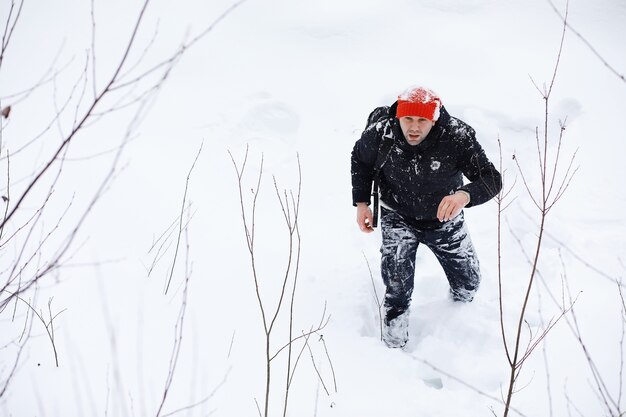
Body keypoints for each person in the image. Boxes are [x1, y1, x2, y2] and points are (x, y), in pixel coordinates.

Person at [351, 86, 502, 348]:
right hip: (396, 215)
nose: (414, 128)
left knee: (468, 284)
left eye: (422, 121)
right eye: (408, 119)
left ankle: (462, 319)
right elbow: (360, 160)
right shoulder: (381, 132)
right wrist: (362, 203)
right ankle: (393, 347)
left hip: (444, 218)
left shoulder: (457, 136)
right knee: (397, 289)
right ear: (398, 116)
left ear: (434, 119)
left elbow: (491, 178)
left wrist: (463, 196)